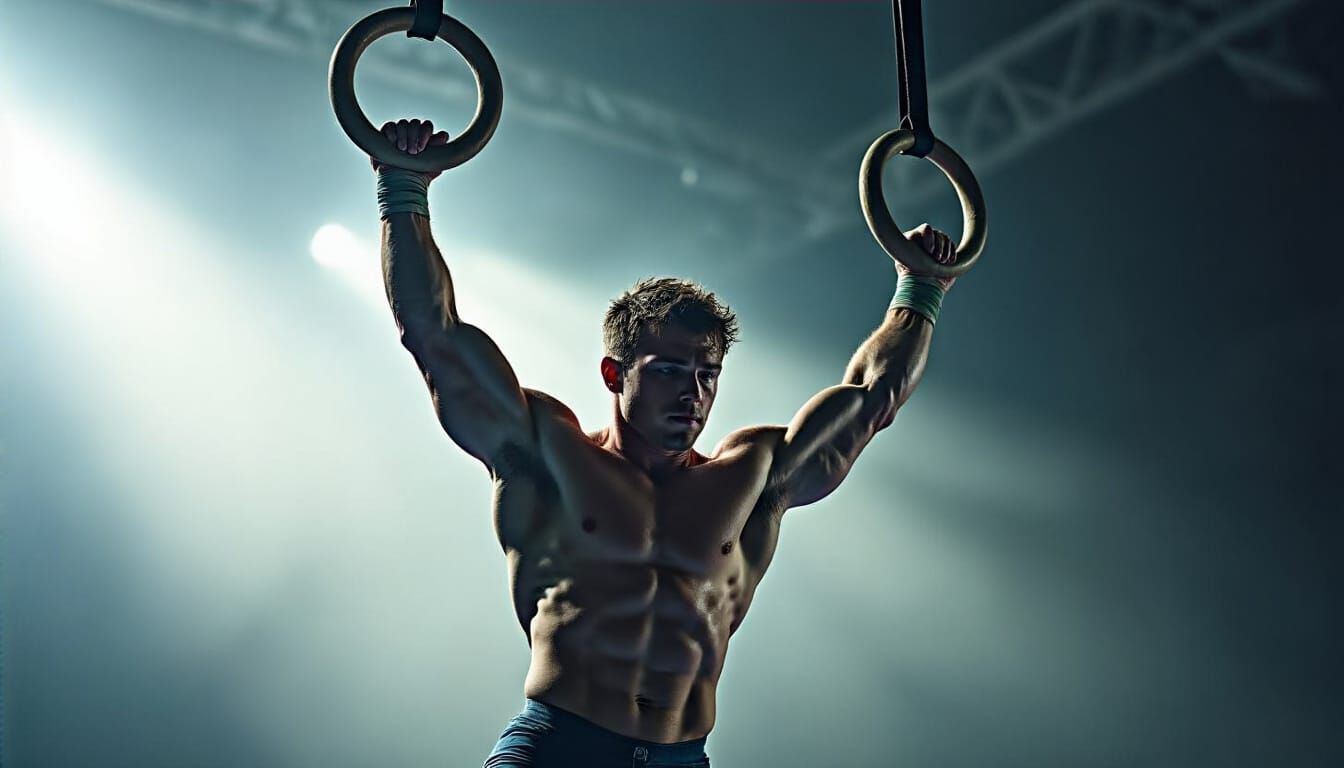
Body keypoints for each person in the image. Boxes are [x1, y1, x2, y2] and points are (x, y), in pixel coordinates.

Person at [371, 118, 960, 768]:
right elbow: (435, 336)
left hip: (682, 757)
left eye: (708, 375)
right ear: (614, 374)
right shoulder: (549, 450)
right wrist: (403, 190)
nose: (693, 394)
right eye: (671, 371)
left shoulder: (752, 475)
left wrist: (920, 287)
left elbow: (872, 397)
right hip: (559, 747)